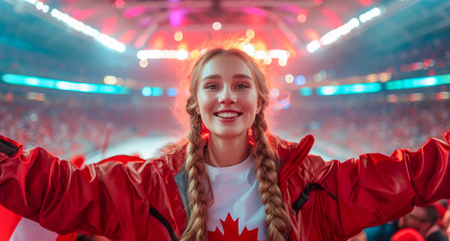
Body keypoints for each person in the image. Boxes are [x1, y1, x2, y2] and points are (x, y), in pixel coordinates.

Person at [0, 48, 449, 241]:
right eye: (212, 86)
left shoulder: (317, 185)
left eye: (240, 85)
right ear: (196, 102)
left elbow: (412, 175)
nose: (227, 97)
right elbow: (59, 189)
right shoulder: (144, 187)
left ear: (260, 99)